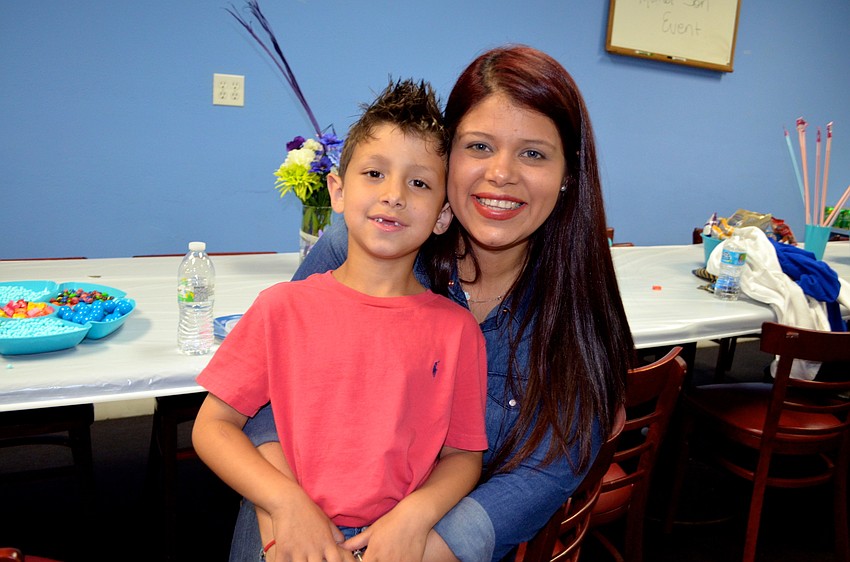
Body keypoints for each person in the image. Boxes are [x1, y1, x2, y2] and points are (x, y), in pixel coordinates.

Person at [233, 44, 634, 562]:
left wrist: (420, 543)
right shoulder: (359, 249)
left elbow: (547, 470)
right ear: (447, 157)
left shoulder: (574, 308)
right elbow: (264, 399)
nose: (501, 174)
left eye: (533, 153)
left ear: (568, 176)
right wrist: (287, 514)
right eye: (479, 146)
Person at [192, 79, 489, 562]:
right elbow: (213, 426)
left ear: (442, 215)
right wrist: (285, 503)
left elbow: (463, 457)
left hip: (389, 543)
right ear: (337, 190)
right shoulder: (281, 308)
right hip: (287, 533)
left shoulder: (457, 332)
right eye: (374, 173)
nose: (393, 195)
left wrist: (413, 518)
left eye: (418, 183)